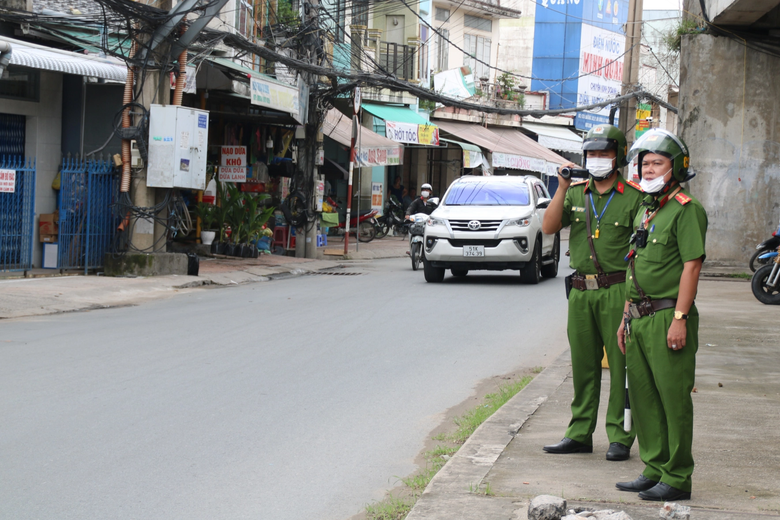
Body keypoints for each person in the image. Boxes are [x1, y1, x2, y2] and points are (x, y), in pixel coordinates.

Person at [541, 124, 644, 461]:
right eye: (592, 154)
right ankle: (579, 432)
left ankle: (619, 436)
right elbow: (549, 227)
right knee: (583, 365)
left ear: (619, 156)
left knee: (620, 365)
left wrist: (633, 299)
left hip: (616, 289)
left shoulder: (634, 197)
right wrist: (561, 187)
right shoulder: (576, 193)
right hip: (581, 291)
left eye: (604, 153)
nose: (597, 159)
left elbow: (640, 254)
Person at [615, 129, 707, 502]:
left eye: (657, 163)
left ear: (676, 168)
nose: (649, 170)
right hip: (638, 317)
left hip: (667, 316)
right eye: (645, 163)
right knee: (643, 398)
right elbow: (633, 268)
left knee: (673, 399)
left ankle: (678, 476)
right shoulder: (646, 209)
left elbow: (692, 267)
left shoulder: (686, 209)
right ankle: (654, 467)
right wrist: (625, 317)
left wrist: (681, 318)